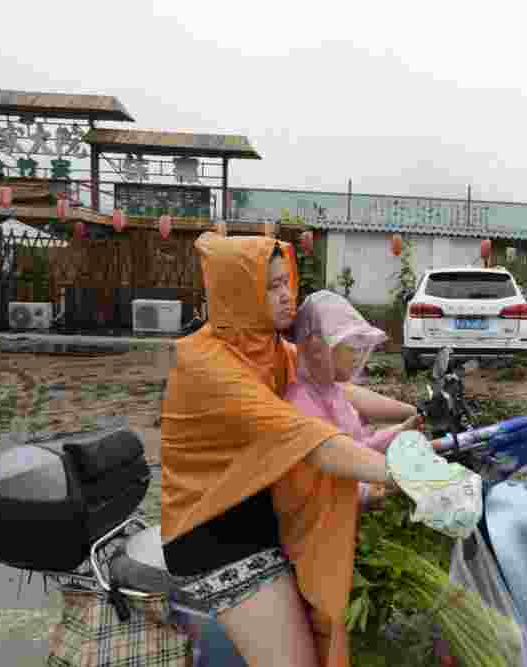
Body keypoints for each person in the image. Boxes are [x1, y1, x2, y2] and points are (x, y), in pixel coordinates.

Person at [159, 233, 417, 667]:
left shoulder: (268, 347)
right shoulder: (211, 367)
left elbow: (336, 387)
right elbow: (312, 441)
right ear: (239, 292)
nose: (287, 295)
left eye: (287, 282)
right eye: (272, 286)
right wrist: (407, 473)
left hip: (259, 508)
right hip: (212, 530)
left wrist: (414, 410)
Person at [274, 290, 421, 663]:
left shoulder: (333, 392)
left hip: (346, 525)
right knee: (329, 630)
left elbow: (360, 447)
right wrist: (373, 492)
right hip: (317, 539)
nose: (357, 354)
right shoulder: (301, 403)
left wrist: (404, 430)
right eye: (349, 345)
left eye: (359, 345)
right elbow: (319, 481)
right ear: (318, 348)